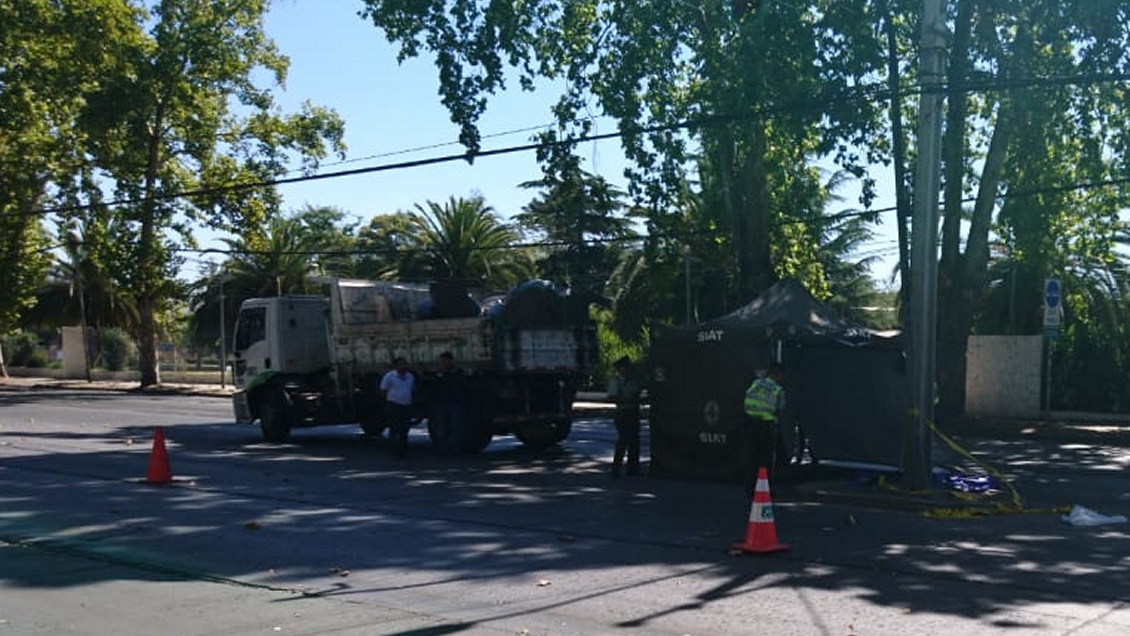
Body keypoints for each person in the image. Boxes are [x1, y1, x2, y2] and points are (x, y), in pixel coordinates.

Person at [742, 361, 790, 495]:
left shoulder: (755, 384)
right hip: (766, 427)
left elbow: (747, 402)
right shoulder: (777, 390)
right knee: (765, 461)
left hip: (750, 424)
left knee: (750, 459)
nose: (783, 379)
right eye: (782, 375)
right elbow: (780, 410)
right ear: (777, 374)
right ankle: (763, 489)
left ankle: (749, 489)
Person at [607, 355, 642, 477]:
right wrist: (626, 399)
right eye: (624, 367)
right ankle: (616, 469)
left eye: (628, 367)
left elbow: (638, 393)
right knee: (623, 441)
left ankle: (633, 470)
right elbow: (612, 397)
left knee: (635, 442)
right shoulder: (616, 381)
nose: (627, 369)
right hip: (623, 413)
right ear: (620, 369)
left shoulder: (634, 380)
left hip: (633, 412)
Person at [430, 351, 466, 454]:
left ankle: (456, 448)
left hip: (454, 401)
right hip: (441, 402)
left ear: (451, 361)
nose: (443, 363)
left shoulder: (457, 372)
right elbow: (434, 386)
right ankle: (443, 448)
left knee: (455, 426)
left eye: (445, 361)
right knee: (442, 427)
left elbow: (460, 385)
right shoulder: (438, 373)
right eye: (442, 361)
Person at [380, 357, 416, 458]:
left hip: (406, 406)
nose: (403, 366)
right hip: (394, 405)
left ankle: (403, 450)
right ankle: (393, 450)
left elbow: (412, 389)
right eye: (401, 364)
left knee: (405, 429)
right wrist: (388, 402)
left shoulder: (410, 376)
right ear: (395, 366)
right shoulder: (390, 376)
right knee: (394, 428)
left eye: (405, 364)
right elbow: (383, 390)